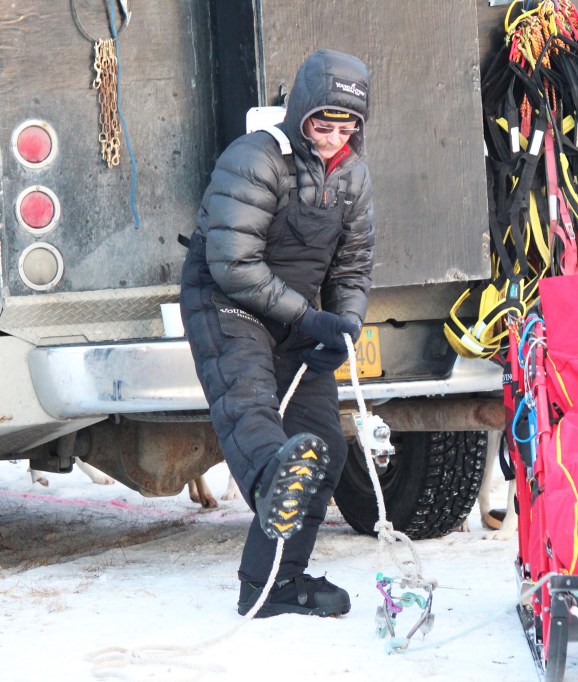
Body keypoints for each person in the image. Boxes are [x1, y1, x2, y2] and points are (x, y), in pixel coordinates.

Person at [179, 49, 374, 618]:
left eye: (347, 127)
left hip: (296, 316)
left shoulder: (355, 179)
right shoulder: (256, 157)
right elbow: (233, 263)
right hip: (225, 303)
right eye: (323, 123)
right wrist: (307, 316)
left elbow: (353, 267)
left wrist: (343, 325)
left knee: (326, 447)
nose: (334, 137)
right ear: (302, 112)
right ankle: (269, 476)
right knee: (254, 409)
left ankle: (273, 586)